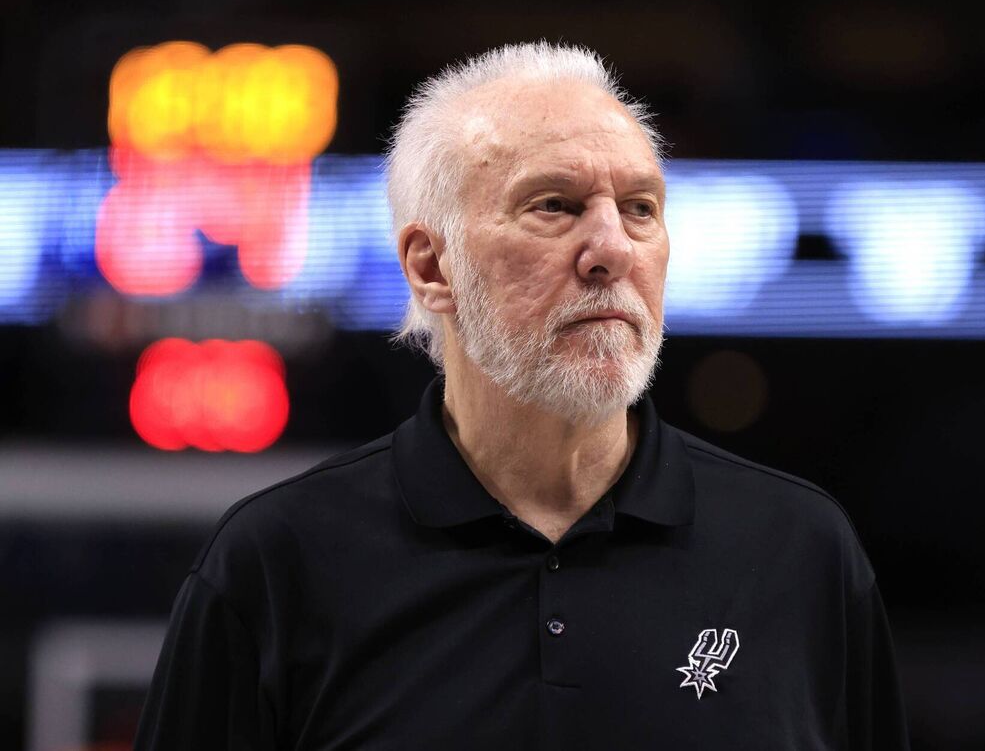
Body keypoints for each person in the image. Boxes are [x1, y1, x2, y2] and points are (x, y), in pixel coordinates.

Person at [134, 42, 909, 750]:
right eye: (555, 206)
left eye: (640, 208)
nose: (611, 248)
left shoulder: (800, 550)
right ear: (431, 268)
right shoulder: (277, 565)